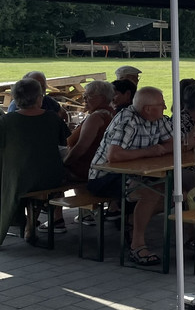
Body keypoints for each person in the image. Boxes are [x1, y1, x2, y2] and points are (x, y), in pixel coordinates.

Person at [88, 86, 175, 266]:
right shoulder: (127, 120)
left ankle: (131, 221)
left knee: (173, 192)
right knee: (151, 193)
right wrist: (150, 151)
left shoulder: (158, 119)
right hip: (104, 177)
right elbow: (114, 155)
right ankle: (137, 246)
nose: (165, 107)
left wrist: (158, 150)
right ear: (148, 109)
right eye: (161, 104)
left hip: (135, 174)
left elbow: (173, 144)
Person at [0, 78, 70, 246]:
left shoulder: (7, 121)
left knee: (13, 178)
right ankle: (29, 226)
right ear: (40, 98)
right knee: (32, 176)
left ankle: (15, 222)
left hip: (19, 179)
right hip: (51, 177)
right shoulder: (52, 118)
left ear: (15, 99)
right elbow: (65, 141)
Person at [56, 80, 116, 230]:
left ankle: (56, 219)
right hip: (99, 166)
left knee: (52, 173)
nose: (84, 99)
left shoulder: (96, 117)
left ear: (102, 97)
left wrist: (64, 163)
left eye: (89, 96)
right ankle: (85, 212)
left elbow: (81, 148)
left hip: (87, 168)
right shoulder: (113, 114)